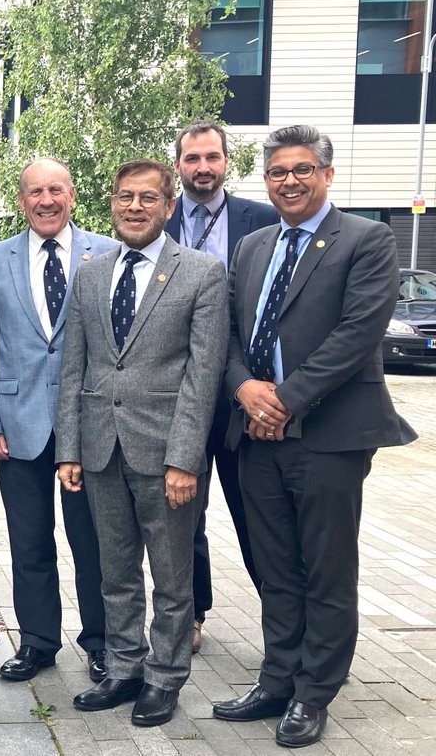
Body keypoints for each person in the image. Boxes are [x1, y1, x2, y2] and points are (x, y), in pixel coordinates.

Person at [212, 125, 415, 748]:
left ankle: (313, 692)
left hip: (328, 434)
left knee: (325, 567)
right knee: (275, 568)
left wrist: (286, 399)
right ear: (265, 181)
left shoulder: (367, 239)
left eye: (302, 170)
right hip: (256, 433)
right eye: (277, 172)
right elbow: (229, 333)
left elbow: (358, 333)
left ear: (326, 175)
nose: (290, 181)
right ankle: (276, 677)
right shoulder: (252, 246)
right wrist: (246, 389)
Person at [55, 159, 227, 727]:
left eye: (147, 198)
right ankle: (125, 667)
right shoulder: (91, 273)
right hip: (101, 448)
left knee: (173, 577)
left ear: (168, 206)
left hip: (165, 456)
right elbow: (74, 366)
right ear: (111, 203)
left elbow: (203, 376)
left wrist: (185, 458)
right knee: (116, 571)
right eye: (125, 196)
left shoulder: (201, 273)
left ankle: (165, 677)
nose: (135, 207)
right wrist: (69, 449)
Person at [0, 158, 113, 683]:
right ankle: (37, 643)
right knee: (30, 542)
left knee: (93, 540)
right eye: (35, 192)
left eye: (55, 189)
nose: (46, 200)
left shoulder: (109, 252)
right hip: (17, 423)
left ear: (71, 194)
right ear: (22, 199)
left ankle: (101, 642)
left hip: (91, 424)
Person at [166, 120, 278, 653]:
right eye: (192, 159)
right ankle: (191, 614)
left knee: (258, 516)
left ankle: (286, 623)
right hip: (175, 398)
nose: (202, 168)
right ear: (179, 165)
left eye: (212, 157)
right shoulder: (155, 219)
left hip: (242, 397)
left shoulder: (262, 220)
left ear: (226, 162)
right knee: (183, 519)